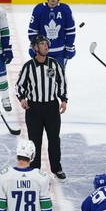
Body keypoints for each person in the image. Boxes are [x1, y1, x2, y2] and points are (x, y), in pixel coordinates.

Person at [15, 35, 68, 182]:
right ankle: (35, 169)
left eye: (46, 43)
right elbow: (19, 85)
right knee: (35, 141)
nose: (46, 46)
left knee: (54, 139)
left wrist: (63, 99)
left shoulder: (55, 64)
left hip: (51, 108)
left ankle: (56, 168)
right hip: (33, 109)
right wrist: (22, 98)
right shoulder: (28, 66)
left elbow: (62, 83)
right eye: (42, 44)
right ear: (35, 48)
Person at [28, 0, 76, 68]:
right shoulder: (39, 9)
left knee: (58, 78)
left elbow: (70, 31)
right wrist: (35, 46)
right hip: (41, 53)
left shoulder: (65, 9)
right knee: (41, 77)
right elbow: (32, 31)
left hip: (59, 53)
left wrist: (69, 47)